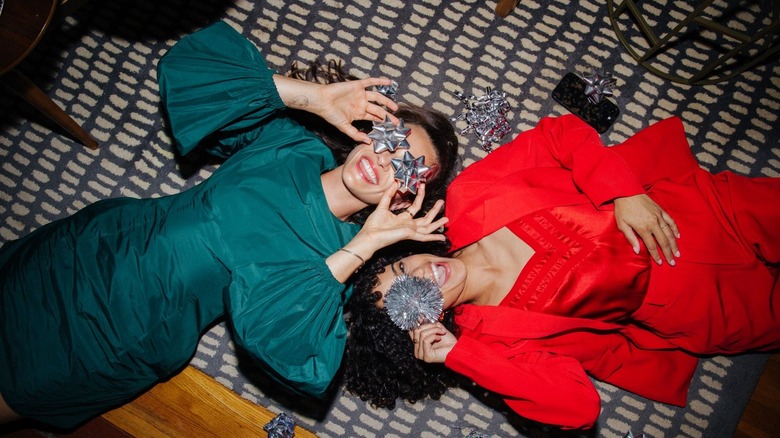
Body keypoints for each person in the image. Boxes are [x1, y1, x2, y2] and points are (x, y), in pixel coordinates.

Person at [0, 21, 459, 429]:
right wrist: (310, 96)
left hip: (116, 334)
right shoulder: (291, 142)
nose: (382, 161)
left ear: (406, 196)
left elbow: (294, 354)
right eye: (390, 140)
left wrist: (365, 244)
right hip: (86, 248)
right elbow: (185, 69)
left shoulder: (330, 265)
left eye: (405, 169)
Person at [344, 114, 780, 430]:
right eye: (404, 301)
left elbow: (557, 135)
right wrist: (460, 356)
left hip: (702, 208)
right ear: (423, 325)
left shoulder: (468, 197)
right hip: (700, 310)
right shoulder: (495, 341)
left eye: (401, 268)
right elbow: (578, 408)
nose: (418, 277)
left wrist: (621, 191)